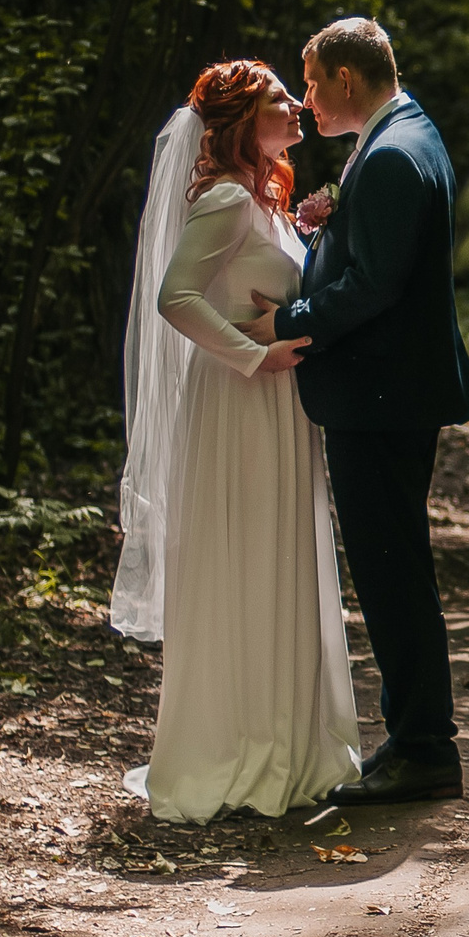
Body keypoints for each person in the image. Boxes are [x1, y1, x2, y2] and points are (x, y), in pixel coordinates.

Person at [238, 16, 469, 805]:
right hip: (392, 390)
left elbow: (371, 287)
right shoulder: (405, 133)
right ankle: (411, 735)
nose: (307, 97)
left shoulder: (389, 154)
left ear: (347, 79)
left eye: (312, 81)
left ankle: (426, 748)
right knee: (392, 568)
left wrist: (279, 324)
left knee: (391, 573)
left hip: (381, 395)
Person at [111, 61, 361, 822]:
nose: (295, 106)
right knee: (243, 559)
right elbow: (175, 297)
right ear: (241, 126)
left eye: (292, 93)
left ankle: (287, 738)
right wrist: (253, 355)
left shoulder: (266, 198)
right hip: (237, 400)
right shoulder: (222, 196)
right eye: (277, 100)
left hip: (276, 402)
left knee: (278, 558)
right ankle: (236, 747)